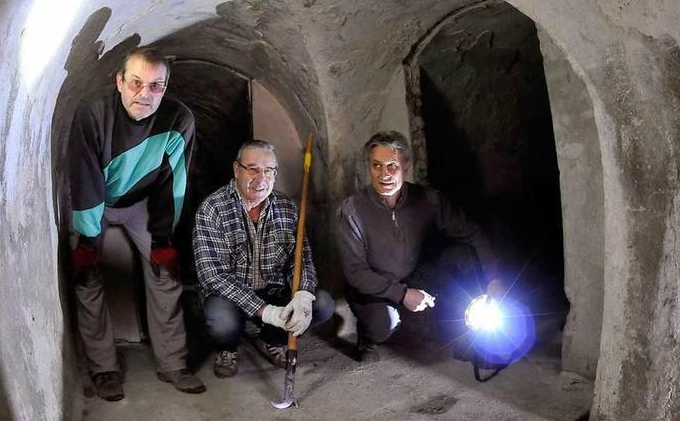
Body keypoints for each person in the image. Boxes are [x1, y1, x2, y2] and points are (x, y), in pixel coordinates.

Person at [68, 47, 205, 401]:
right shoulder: (93, 115)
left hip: (140, 203)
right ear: (119, 82)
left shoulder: (179, 120)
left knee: (166, 273)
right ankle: (104, 368)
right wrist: (87, 240)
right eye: (136, 83)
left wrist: (162, 239)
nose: (145, 94)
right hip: (95, 201)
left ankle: (173, 363)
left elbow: (173, 184)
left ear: (166, 87)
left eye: (156, 86)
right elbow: (84, 177)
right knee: (87, 276)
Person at [337, 131, 503, 361]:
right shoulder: (352, 210)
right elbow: (355, 273)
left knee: (462, 256)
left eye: (392, 165)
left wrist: (493, 278)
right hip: (372, 285)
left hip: (414, 274)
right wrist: (402, 294)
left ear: (406, 166)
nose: (384, 174)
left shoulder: (429, 200)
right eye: (376, 165)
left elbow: (471, 233)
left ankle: (467, 335)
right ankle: (368, 337)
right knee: (383, 324)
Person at [193, 139, 334, 378]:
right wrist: (264, 311)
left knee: (320, 304)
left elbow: (300, 258)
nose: (261, 178)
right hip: (230, 295)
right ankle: (227, 349)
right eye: (253, 169)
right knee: (222, 322)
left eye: (269, 171)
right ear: (236, 170)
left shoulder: (286, 208)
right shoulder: (212, 209)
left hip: (273, 289)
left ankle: (270, 339)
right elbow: (212, 275)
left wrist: (302, 293)